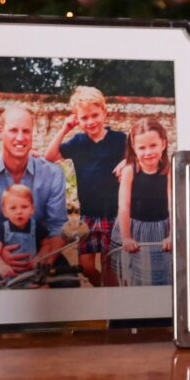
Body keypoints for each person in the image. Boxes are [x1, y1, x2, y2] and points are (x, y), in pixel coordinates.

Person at [0, 105, 69, 283]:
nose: (20, 138)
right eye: (13, 130)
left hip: (37, 253)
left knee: (69, 282)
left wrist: (43, 260)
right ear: (0, 131)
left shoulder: (52, 174)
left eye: (26, 131)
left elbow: (58, 227)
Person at [46, 85, 127, 287]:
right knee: (85, 266)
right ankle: (101, 289)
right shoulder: (78, 142)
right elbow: (50, 156)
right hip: (88, 216)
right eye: (84, 118)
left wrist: (128, 162)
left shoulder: (119, 139)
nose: (90, 122)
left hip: (112, 214)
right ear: (77, 118)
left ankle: (110, 300)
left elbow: (135, 158)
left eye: (95, 115)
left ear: (104, 112)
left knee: (110, 265)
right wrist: (65, 128)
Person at [113, 117, 173, 287]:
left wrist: (172, 235)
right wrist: (126, 237)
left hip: (159, 231)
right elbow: (124, 206)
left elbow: (172, 206)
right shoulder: (129, 171)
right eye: (142, 147)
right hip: (133, 228)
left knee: (159, 278)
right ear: (134, 148)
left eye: (153, 145)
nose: (148, 152)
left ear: (163, 144)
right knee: (131, 278)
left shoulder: (169, 172)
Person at [0, 186, 53, 285]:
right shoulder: (4, 228)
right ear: (5, 212)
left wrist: (39, 258)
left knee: (44, 288)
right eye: (13, 208)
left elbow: (47, 245)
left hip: (30, 273)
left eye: (24, 207)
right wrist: (1, 266)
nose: (19, 212)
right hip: (7, 271)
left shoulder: (37, 227)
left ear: (32, 209)